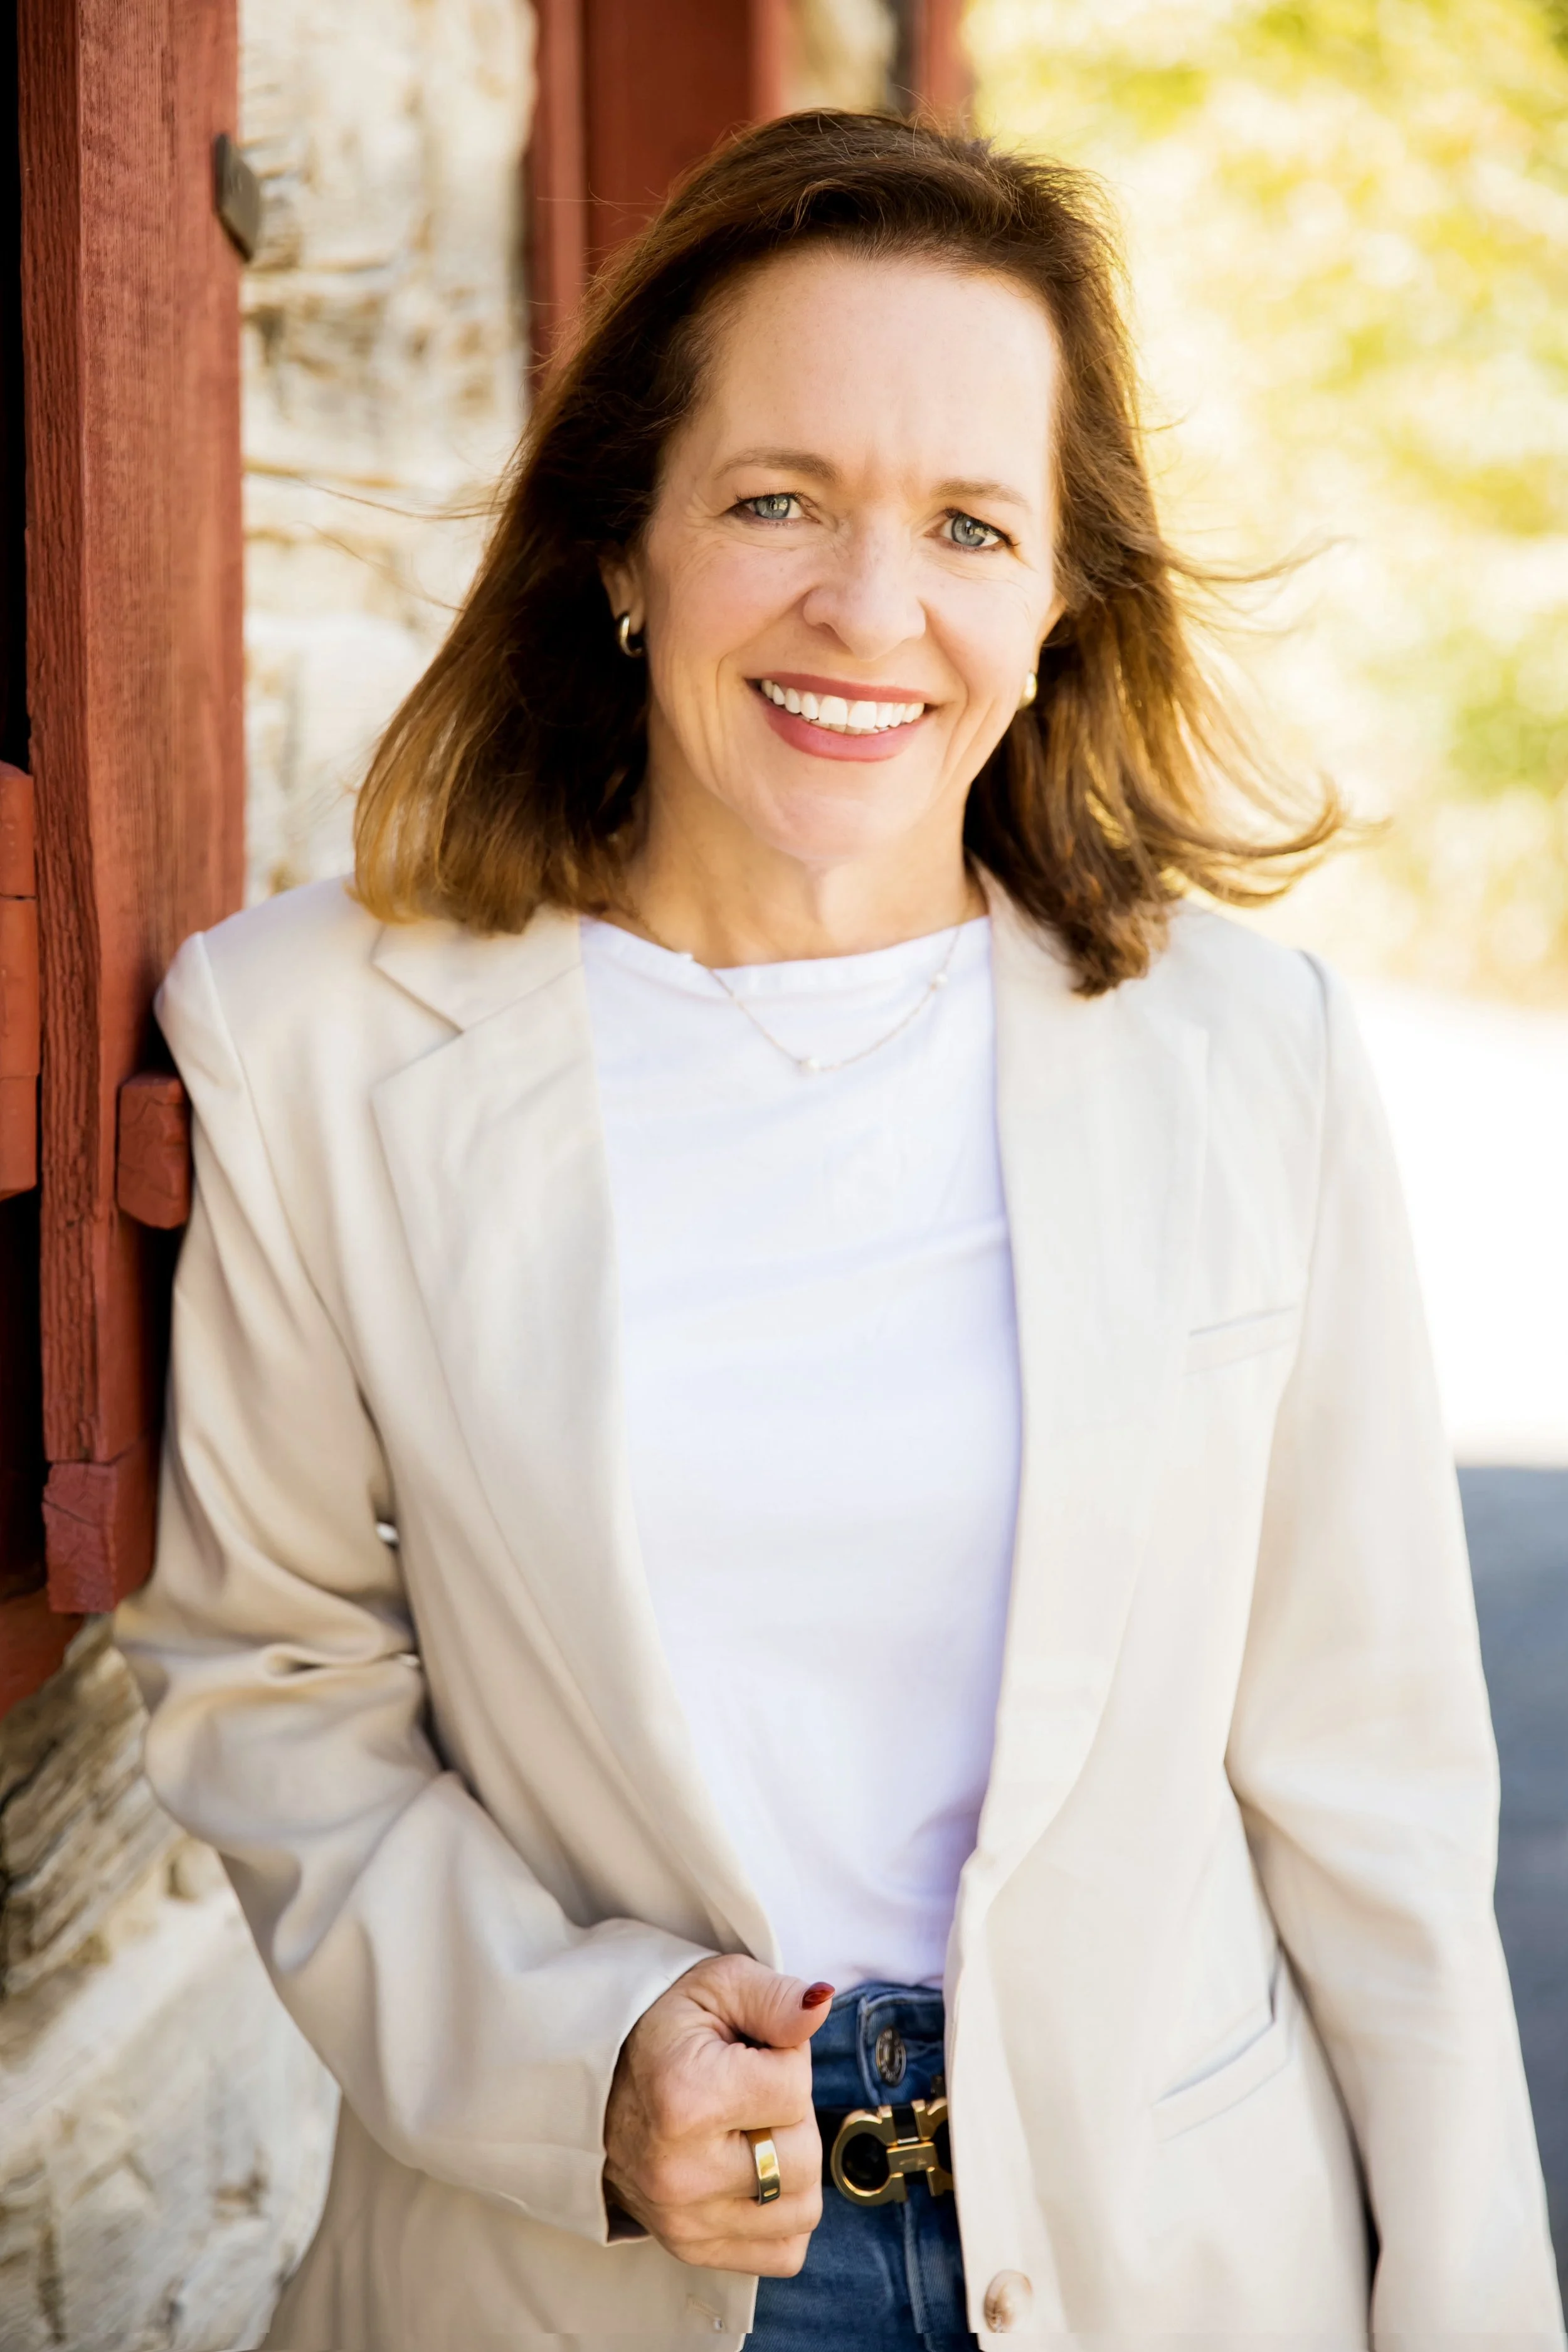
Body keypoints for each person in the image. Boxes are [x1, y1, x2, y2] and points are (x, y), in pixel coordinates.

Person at [116, 112, 1561, 2351]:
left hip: (1165, 2259)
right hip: (560, 2273)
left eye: (968, 525)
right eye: (777, 497)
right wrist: (577, 2064)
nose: (869, 612)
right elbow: (272, 1674)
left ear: (1057, 600)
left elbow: (1373, 1802)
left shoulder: (1242, 1057)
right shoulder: (309, 1039)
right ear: (626, 540)